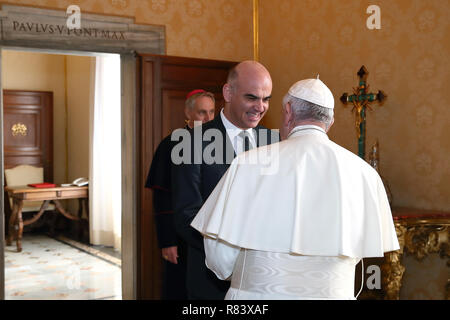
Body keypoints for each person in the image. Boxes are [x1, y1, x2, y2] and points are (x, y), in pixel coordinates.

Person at [191, 77, 400, 300]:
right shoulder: (365, 173)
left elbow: (219, 256)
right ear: (330, 121)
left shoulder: (248, 164)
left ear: (288, 112)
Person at [171, 61, 279, 299]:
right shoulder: (191, 142)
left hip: (264, 281)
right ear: (228, 93)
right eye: (252, 98)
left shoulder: (273, 142)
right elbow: (185, 215)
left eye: (266, 99)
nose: (260, 107)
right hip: (211, 283)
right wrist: (233, 251)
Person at [145, 89, 215, 300]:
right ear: (188, 112)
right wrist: (167, 241)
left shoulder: (218, 143)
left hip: (211, 234)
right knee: (179, 288)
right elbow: (162, 197)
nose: (208, 118)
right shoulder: (171, 144)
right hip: (181, 234)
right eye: (202, 112)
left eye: (212, 112)